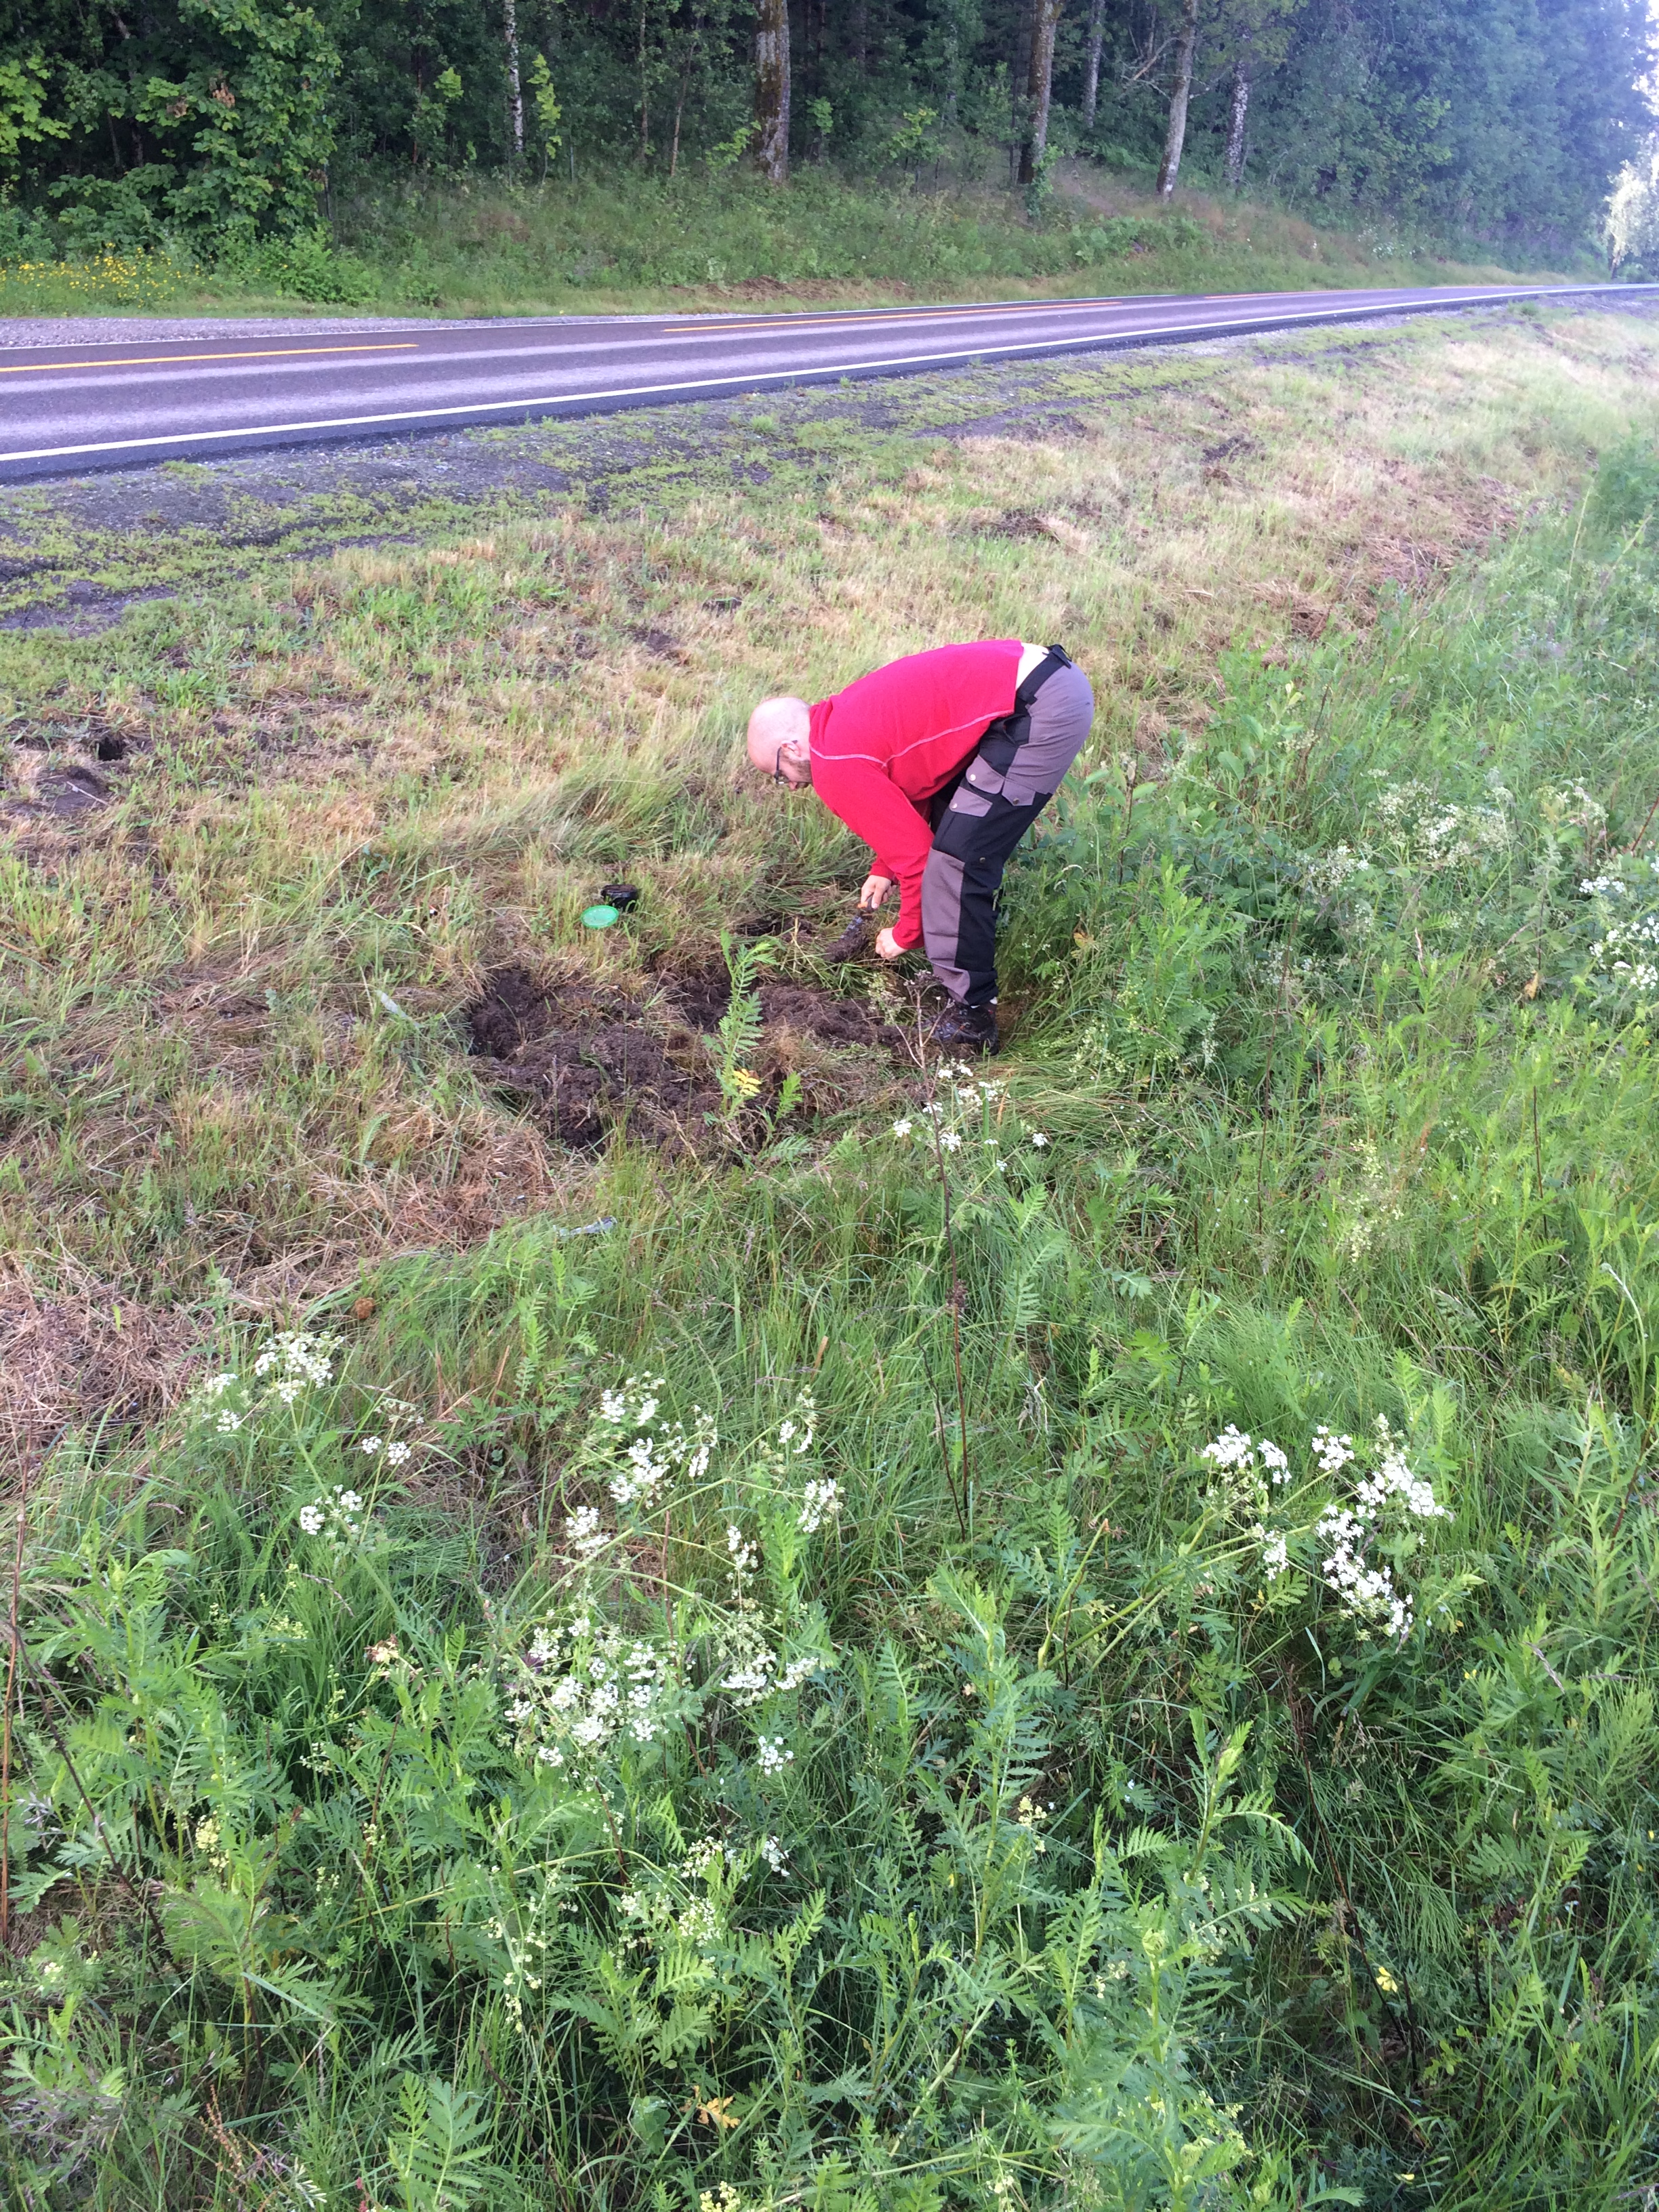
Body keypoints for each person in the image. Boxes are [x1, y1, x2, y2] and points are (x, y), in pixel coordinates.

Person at [744, 638, 1094, 1050]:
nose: (789, 787)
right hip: (1035, 682)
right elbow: (916, 783)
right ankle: (967, 952)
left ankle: (973, 1020)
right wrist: (883, 869)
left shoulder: (832, 764)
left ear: (790, 747)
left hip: (1039, 705)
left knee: (958, 861)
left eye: (778, 775)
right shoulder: (838, 725)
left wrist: (906, 934)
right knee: (953, 825)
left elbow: (921, 863)